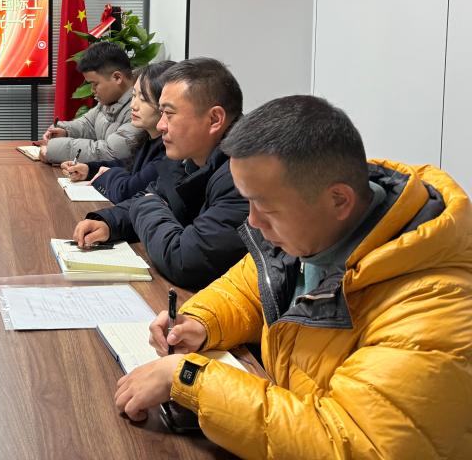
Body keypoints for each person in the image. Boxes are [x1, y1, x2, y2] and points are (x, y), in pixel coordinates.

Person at [113, 96, 472, 459]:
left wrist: (190, 378)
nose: (252, 221)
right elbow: (248, 289)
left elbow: (352, 443)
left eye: (265, 207)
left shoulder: (434, 305)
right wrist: (200, 322)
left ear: (339, 201)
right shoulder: (311, 232)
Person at [72, 57, 248, 289]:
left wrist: (148, 204)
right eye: (161, 112)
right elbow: (151, 195)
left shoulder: (243, 176)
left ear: (214, 119)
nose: (161, 125)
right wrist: (110, 223)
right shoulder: (188, 158)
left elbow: (185, 261)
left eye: (169, 114)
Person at [60, 59, 174, 204]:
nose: (133, 105)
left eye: (143, 99)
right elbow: (128, 165)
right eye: (133, 95)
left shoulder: (169, 151)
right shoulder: (148, 137)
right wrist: (89, 169)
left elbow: (127, 191)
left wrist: (106, 174)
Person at [39, 42, 137, 164]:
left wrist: (54, 149)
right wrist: (65, 131)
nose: (92, 90)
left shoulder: (139, 108)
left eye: (95, 84)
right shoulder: (111, 98)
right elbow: (88, 124)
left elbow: (111, 152)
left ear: (117, 77)